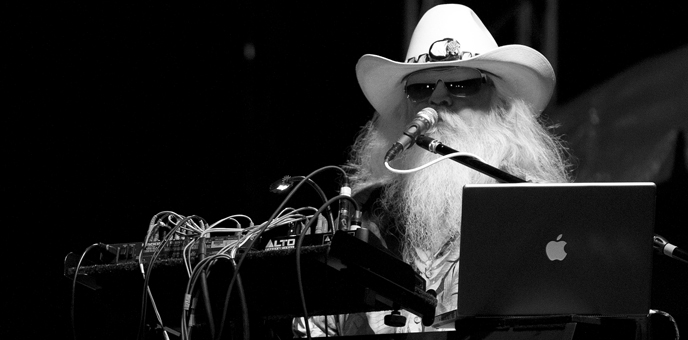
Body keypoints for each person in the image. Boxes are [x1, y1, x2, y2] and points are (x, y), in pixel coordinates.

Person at [294, 3, 570, 336]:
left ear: (500, 105)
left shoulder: (539, 209)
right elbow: (315, 326)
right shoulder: (356, 215)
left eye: (460, 85)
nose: (437, 99)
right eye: (420, 88)